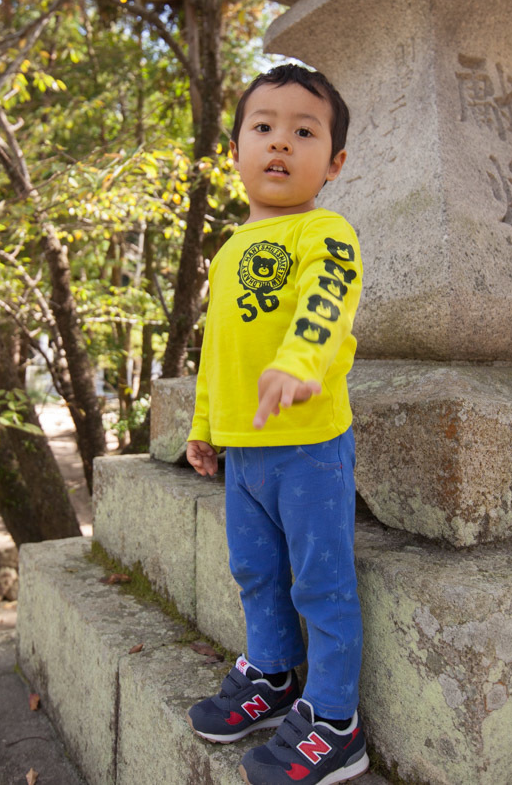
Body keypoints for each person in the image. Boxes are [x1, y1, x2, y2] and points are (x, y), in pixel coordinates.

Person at [184, 63, 367, 785]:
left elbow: (328, 300)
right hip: (245, 454)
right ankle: (270, 676)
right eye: (263, 127)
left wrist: (300, 360)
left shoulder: (327, 230)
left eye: (303, 130)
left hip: (310, 444)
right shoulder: (228, 249)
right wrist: (203, 425)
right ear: (236, 149)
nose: (280, 143)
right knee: (255, 571)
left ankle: (334, 719)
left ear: (335, 160)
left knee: (320, 581)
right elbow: (215, 351)